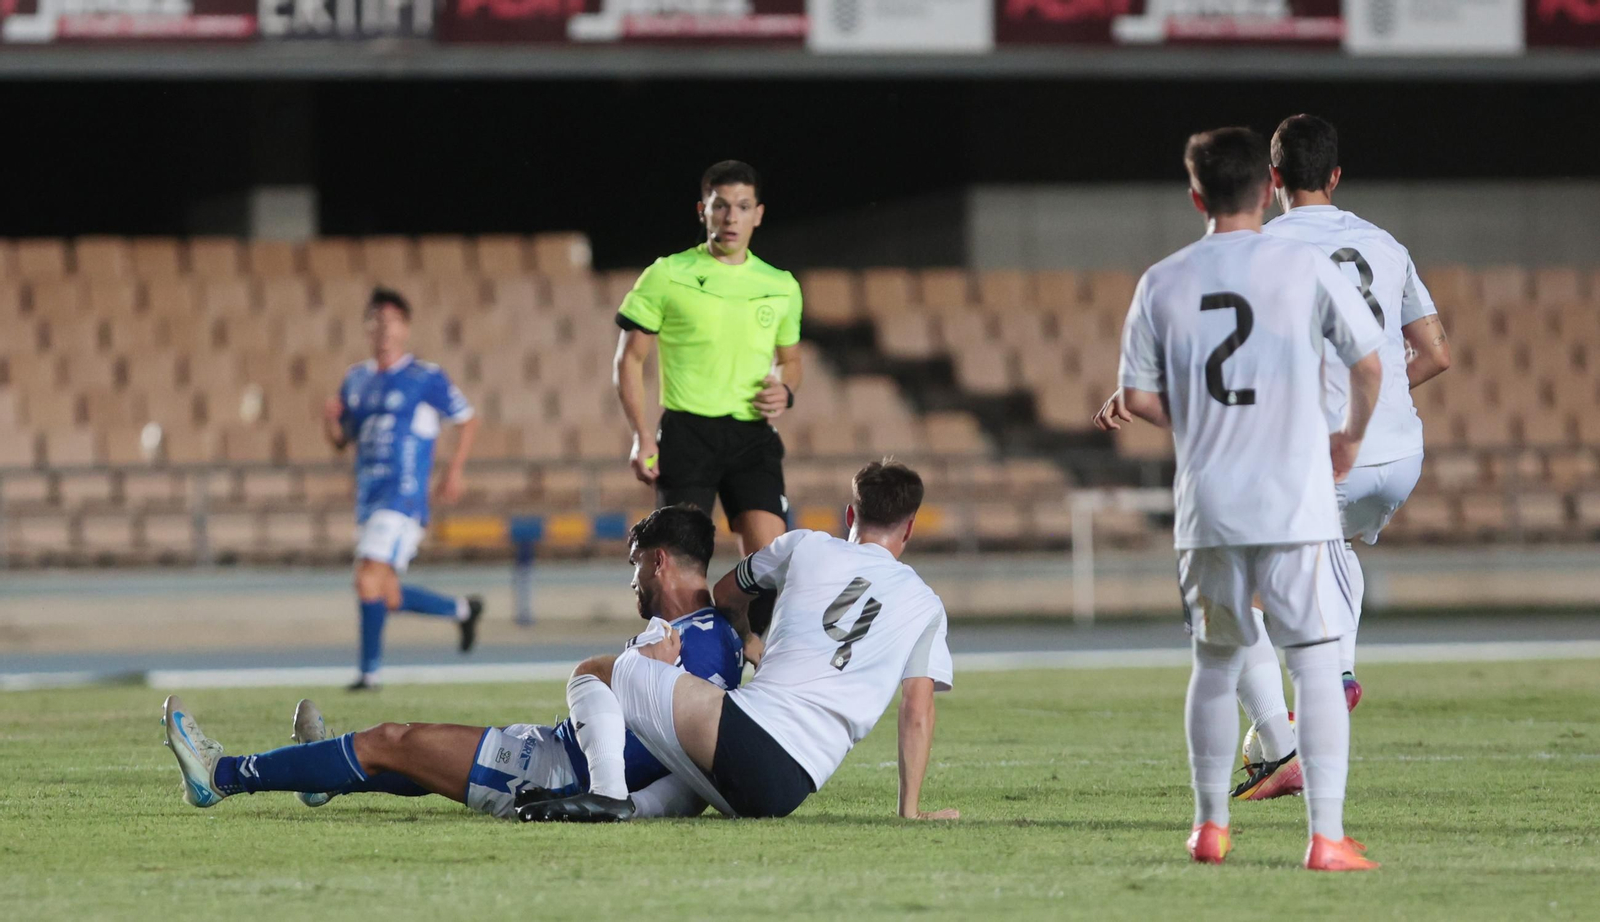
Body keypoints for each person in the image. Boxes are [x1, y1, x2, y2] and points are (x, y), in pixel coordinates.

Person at [1092, 128, 1384, 870]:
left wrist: (1198, 417)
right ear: (1266, 189)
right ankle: (1325, 837)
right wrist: (1349, 438)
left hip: (1210, 504)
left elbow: (1136, 398)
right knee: (1314, 662)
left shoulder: (1162, 280)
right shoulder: (1303, 265)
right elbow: (1370, 363)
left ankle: (1209, 828)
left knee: (1216, 663)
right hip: (1292, 498)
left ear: (1196, 197)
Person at [160, 506, 744, 821]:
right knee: (420, 759)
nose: (632, 580)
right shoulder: (722, 642)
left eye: (636, 565)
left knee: (394, 740)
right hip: (560, 755)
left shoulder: (671, 640)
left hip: (557, 773)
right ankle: (323, 777)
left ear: (659, 562)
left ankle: (221, 775)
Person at [1223, 114, 1455, 801]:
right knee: (1338, 544)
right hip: (1399, 452)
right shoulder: (1384, 244)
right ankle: (1341, 671)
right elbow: (1437, 353)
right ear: (1335, 176)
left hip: (1321, 457)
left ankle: (1280, 743)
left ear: (1272, 179)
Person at [521, 460, 957, 824]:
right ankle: (634, 808)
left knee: (597, 671)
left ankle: (608, 794)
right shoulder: (926, 605)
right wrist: (910, 811)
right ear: (909, 528)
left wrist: (748, 637)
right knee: (695, 766)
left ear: (849, 515)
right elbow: (917, 710)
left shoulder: (805, 545)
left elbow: (727, 593)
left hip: (748, 734)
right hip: (787, 789)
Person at [612, 159, 804, 566]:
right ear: (703, 211)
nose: (731, 217)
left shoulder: (781, 285)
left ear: (758, 214)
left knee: (771, 566)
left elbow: (790, 361)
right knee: (679, 570)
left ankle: (742, 613)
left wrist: (784, 388)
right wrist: (641, 435)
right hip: (688, 435)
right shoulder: (667, 274)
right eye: (721, 206)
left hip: (752, 436)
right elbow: (629, 359)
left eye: (743, 206)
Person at [323, 286, 484, 690]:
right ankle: (463, 610)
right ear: (367, 327)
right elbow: (344, 440)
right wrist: (330, 423)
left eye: (393, 321)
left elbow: (467, 419)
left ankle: (369, 674)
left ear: (406, 328)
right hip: (369, 497)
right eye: (377, 320)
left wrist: (454, 471)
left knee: (367, 578)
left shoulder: (424, 377)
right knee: (387, 594)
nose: (385, 329)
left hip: (404, 495)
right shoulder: (356, 380)